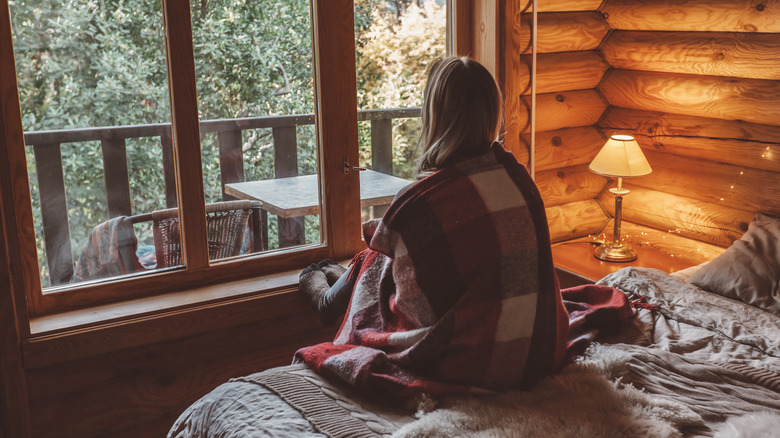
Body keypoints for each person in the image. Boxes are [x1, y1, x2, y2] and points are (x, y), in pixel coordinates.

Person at [296, 56, 570, 400]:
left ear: (435, 116)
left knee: (378, 258)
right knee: (389, 247)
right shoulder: (518, 179)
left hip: (473, 362)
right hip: (538, 350)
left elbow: (416, 313)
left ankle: (327, 299)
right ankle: (337, 280)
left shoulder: (418, 203)